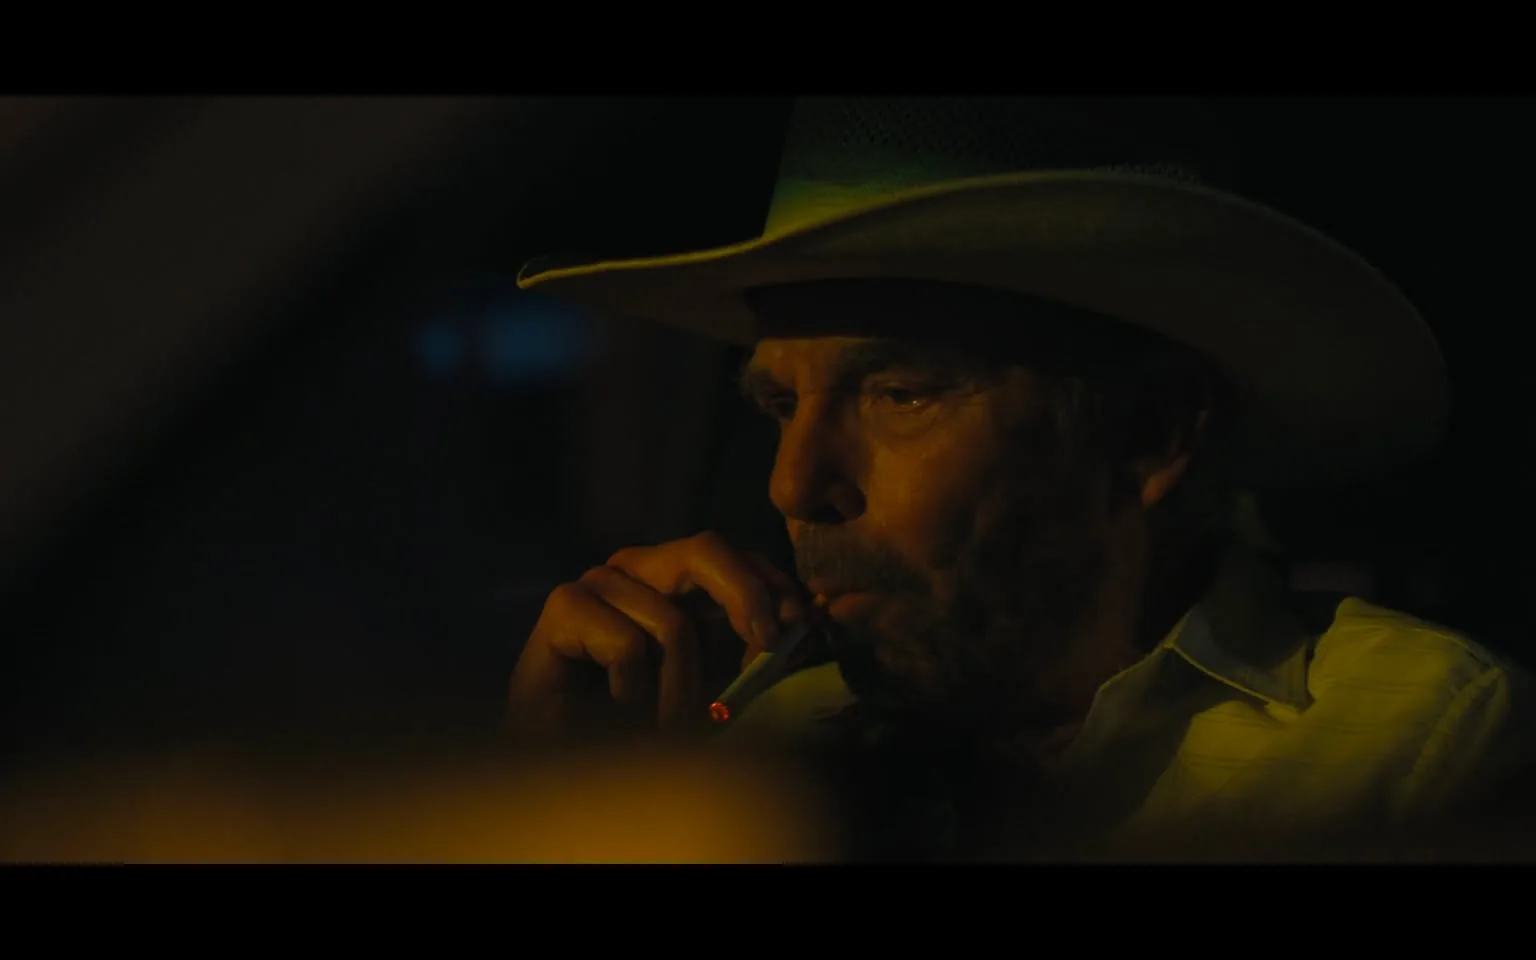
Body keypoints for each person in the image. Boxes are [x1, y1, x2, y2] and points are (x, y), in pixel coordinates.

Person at [506, 97, 1530, 860]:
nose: (791, 485)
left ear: (1147, 431)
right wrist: (563, 795)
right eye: (780, 406)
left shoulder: (1410, 742)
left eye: (899, 393)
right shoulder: (745, 740)